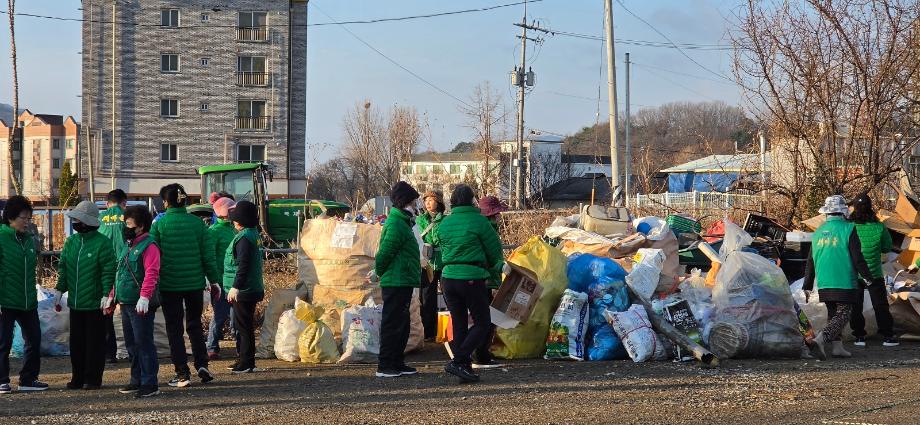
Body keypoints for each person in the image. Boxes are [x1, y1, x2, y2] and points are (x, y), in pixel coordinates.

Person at [150, 183, 219, 388]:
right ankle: (201, 364)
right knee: (194, 325)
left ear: (165, 202)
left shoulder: (159, 225)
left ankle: (182, 373)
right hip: (194, 284)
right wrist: (214, 280)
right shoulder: (198, 224)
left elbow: (153, 257)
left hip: (169, 285)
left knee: (174, 329)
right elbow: (208, 256)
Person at [437, 185, 504, 383]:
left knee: (459, 324)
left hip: (448, 277)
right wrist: (500, 267)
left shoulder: (444, 223)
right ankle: (458, 361)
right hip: (472, 277)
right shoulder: (480, 222)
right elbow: (494, 252)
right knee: (482, 322)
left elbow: (438, 244)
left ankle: (464, 367)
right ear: (472, 200)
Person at [803, 195, 874, 360]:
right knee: (844, 314)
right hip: (843, 280)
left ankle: (838, 347)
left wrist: (807, 284)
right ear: (843, 212)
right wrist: (868, 277)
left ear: (827, 213)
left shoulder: (818, 232)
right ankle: (820, 339)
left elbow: (810, 261)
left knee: (833, 314)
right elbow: (857, 257)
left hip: (824, 282)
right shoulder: (849, 229)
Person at [55, 200, 116, 390]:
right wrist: (59, 289)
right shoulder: (71, 242)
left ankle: (92, 378)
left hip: (94, 303)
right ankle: (77, 377)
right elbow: (64, 268)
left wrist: (106, 294)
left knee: (94, 344)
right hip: (75, 303)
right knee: (77, 344)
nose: (75, 223)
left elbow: (108, 271)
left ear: (87, 222)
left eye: (78, 220)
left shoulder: (102, 243)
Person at [373, 181, 422, 378]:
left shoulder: (403, 223)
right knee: (393, 323)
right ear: (406, 202)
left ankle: (397, 361)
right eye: (414, 201)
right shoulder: (396, 224)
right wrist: (378, 271)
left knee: (402, 323)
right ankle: (385, 365)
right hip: (395, 281)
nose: (417, 205)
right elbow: (385, 252)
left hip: (403, 279)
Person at [0, 196, 48, 395]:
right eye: (24, 218)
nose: (28, 222)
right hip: (5, 299)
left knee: (34, 339)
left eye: (30, 218)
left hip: (28, 300)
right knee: (3, 341)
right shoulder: (1, 238)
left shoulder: (29, 240)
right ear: (11, 218)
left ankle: (28, 378)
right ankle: (2, 380)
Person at [113, 206, 161, 398]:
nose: (126, 227)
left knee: (144, 343)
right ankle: (136, 379)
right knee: (131, 344)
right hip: (125, 302)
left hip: (139, 303)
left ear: (140, 227)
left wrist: (145, 296)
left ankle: (150, 382)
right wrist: (112, 294)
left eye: (129, 224)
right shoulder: (128, 244)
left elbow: (152, 272)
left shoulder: (149, 246)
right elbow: (120, 271)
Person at [848, 194, 898, 347]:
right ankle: (888, 336)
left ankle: (859, 337)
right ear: (870, 208)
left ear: (855, 208)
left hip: (854, 273)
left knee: (856, 306)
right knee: (880, 305)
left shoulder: (850, 227)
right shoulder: (879, 226)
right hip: (874, 272)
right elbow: (886, 247)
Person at [224, 201, 265, 374]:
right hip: (250, 288)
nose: (233, 222)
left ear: (240, 221)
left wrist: (235, 287)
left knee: (244, 327)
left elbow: (243, 265)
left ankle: (247, 362)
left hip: (244, 290)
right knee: (243, 326)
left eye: (235, 219)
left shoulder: (244, 239)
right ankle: (244, 359)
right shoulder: (251, 234)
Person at [472, 195, 508, 370]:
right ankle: (482, 354)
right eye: (498, 213)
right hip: (487, 279)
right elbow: (492, 258)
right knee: (487, 320)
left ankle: (481, 352)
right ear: (492, 214)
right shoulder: (489, 230)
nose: (500, 216)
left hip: (483, 278)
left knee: (484, 318)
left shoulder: (481, 227)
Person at [207, 196, 238, 360]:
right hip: (220, 281)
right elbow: (210, 257)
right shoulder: (213, 232)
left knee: (235, 315)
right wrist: (213, 280)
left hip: (234, 280)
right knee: (220, 314)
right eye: (232, 209)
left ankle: (239, 344)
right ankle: (212, 346)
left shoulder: (234, 229)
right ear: (225, 213)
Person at [99, 189, 128, 364]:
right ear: (124, 203)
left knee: (106, 312)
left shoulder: (99, 218)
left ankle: (109, 353)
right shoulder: (129, 217)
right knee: (129, 310)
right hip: (126, 270)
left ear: (106, 203)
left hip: (105, 271)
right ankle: (133, 350)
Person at [416, 190, 445, 342]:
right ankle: (428, 331)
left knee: (448, 296)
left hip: (444, 261)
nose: (427, 203)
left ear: (438, 202)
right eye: (425, 200)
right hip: (427, 262)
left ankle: (447, 330)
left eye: (431, 200)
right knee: (427, 297)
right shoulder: (420, 220)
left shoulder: (445, 220)